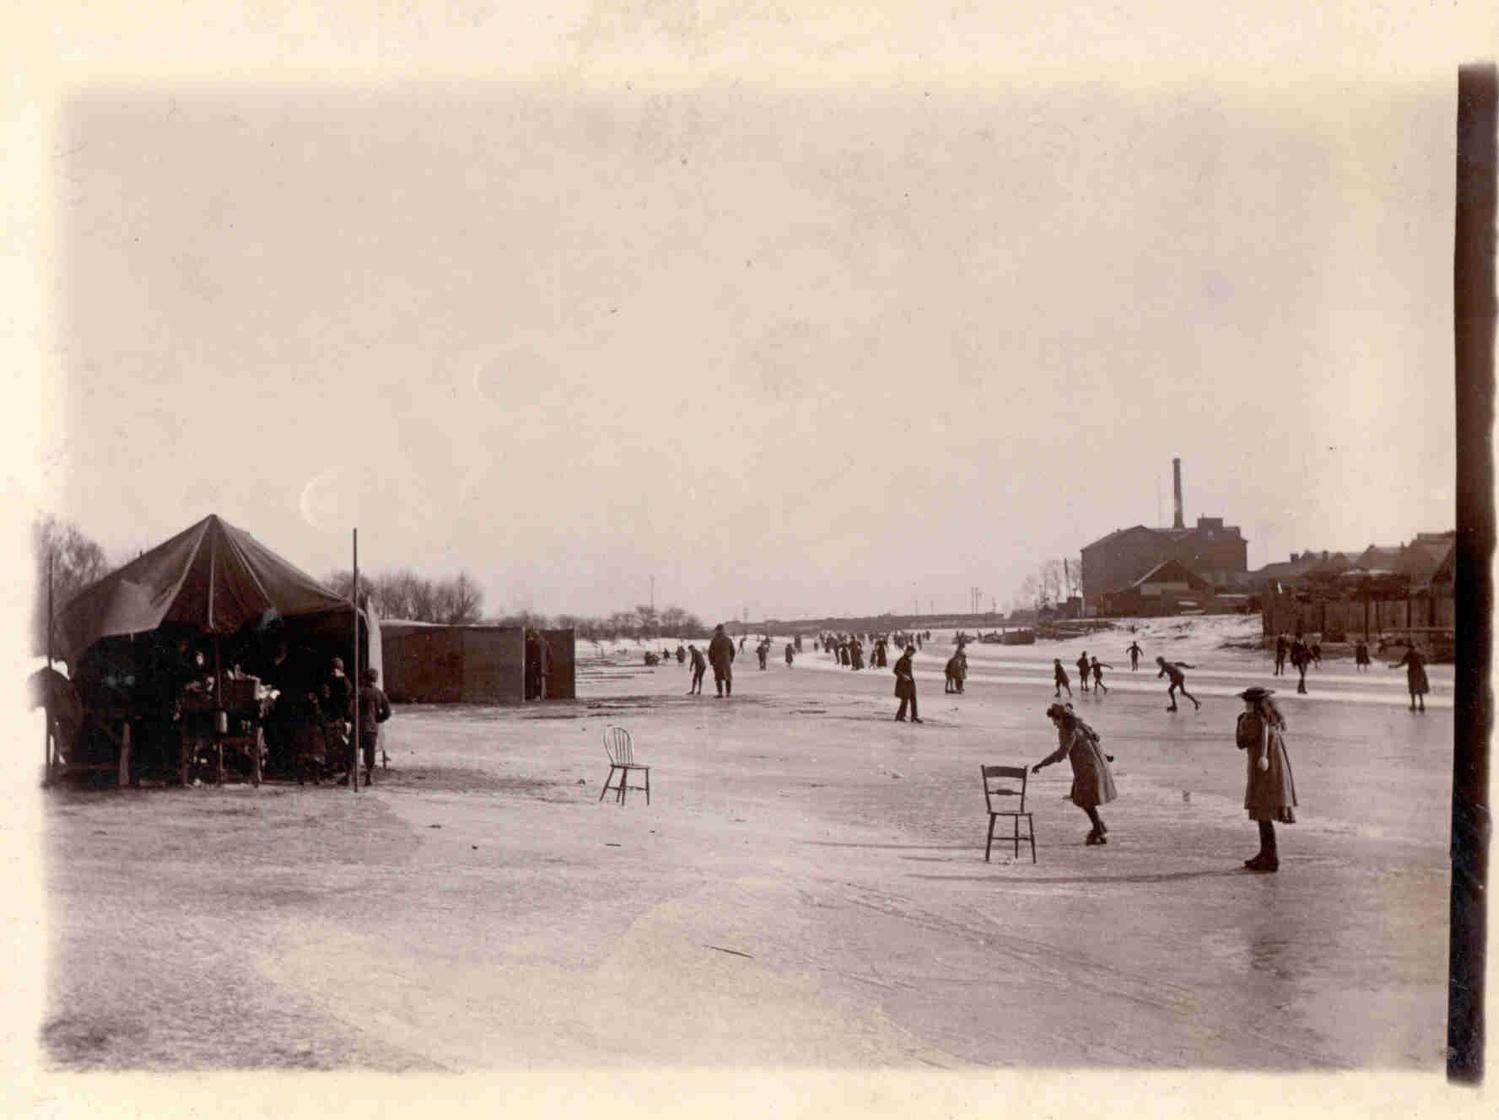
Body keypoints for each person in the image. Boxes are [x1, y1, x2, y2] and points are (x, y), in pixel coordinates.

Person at [1033, 703, 1117, 845]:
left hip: (1087, 769)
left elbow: (1061, 754)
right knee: (1083, 799)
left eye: (1054, 720)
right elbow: (1094, 741)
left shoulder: (1067, 731)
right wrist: (1105, 756)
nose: (1054, 724)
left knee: (1084, 800)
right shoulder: (1081, 726)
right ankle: (1099, 828)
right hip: (1096, 765)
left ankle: (1098, 829)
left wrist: (1042, 764)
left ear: (1060, 718)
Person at [1236, 686, 1297, 872]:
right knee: (1264, 816)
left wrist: (1240, 722)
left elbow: (1240, 742)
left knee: (1263, 815)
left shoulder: (1254, 721)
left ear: (1254, 703)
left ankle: (1270, 857)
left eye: (1248, 702)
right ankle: (1267, 854)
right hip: (1276, 773)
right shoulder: (1272, 719)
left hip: (1264, 775)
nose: (1245, 705)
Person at [357, 667, 392, 783]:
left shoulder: (359, 692)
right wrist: (377, 719)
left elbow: (350, 709)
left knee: (353, 749)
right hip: (372, 726)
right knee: (370, 752)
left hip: (359, 725)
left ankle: (349, 775)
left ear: (364, 678)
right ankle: (369, 775)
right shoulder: (379, 693)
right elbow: (387, 712)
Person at [1393, 641, 1430, 712]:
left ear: (1409, 648)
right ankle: (1422, 705)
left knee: (1412, 688)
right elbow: (1425, 663)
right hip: (1420, 673)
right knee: (1419, 688)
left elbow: (1402, 663)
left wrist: (1394, 666)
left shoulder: (1409, 654)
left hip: (1412, 673)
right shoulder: (1419, 654)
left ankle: (1413, 705)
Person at [893, 644, 921, 722]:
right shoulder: (902, 660)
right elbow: (896, 670)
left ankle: (914, 716)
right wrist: (903, 676)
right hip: (903, 684)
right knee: (904, 700)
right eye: (911, 653)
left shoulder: (908, 660)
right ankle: (899, 716)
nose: (912, 654)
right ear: (907, 651)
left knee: (913, 699)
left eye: (913, 653)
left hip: (910, 682)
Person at [708, 624, 736, 698]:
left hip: (717, 662)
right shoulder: (728, 639)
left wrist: (711, 661)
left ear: (717, 631)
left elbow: (710, 652)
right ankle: (728, 693)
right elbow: (732, 651)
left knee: (718, 678)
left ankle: (720, 693)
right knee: (728, 678)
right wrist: (730, 660)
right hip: (726, 662)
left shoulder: (714, 640)